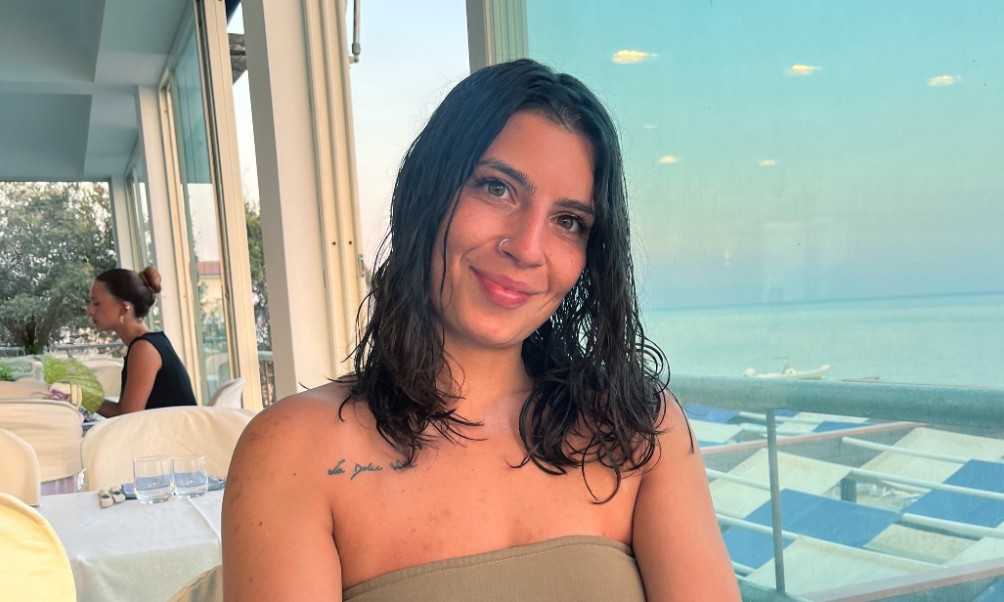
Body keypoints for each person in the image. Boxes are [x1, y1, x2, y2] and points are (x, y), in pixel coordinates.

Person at [223, 59, 739, 600]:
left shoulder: (635, 427)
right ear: (429, 192)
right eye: (496, 188)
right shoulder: (295, 450)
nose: (526, 247)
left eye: (568, 221)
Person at [86, 266, 197, 416]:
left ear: (124, 308)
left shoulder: (144, 349)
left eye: (97, 303)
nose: (90, 311)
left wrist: (81, 396)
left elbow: (127, 417)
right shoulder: (151, 342)